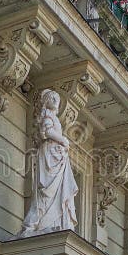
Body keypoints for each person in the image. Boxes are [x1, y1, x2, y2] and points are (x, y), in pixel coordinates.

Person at [18, 89, 78, 236]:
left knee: (57, 192)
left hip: (57, 156)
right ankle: (32, 225)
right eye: (53, 98)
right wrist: (63, 140)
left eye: (57, 98)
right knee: (45, 192)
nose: (56, 100)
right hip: (49, 155)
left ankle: (52, 223)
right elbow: (47, 132)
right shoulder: (47, 116)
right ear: (47, 101)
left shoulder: (53, 117)